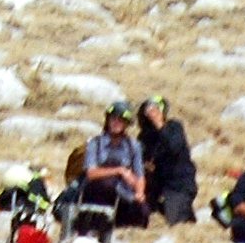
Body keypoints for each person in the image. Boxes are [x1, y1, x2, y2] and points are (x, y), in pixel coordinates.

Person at [63, 102, 147, 235]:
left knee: (142, 211)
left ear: (126, 124)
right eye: (113, 119)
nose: (116, 123)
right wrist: (119, 171)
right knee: (105, 186)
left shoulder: (134, 146)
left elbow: (140, 175)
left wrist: (139, 193)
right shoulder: (94, 143)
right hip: (96, 192)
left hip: (122, 194)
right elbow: (91, 173)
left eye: (121, 120)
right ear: (108, 120)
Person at [140, 94, 200, 224]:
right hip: (155, 184)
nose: (152, 113)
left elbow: (174, 147)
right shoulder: (145, 136)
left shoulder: (174, 127)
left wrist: (160, 125)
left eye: (156, 110)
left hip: (178, 184)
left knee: (176, 220)